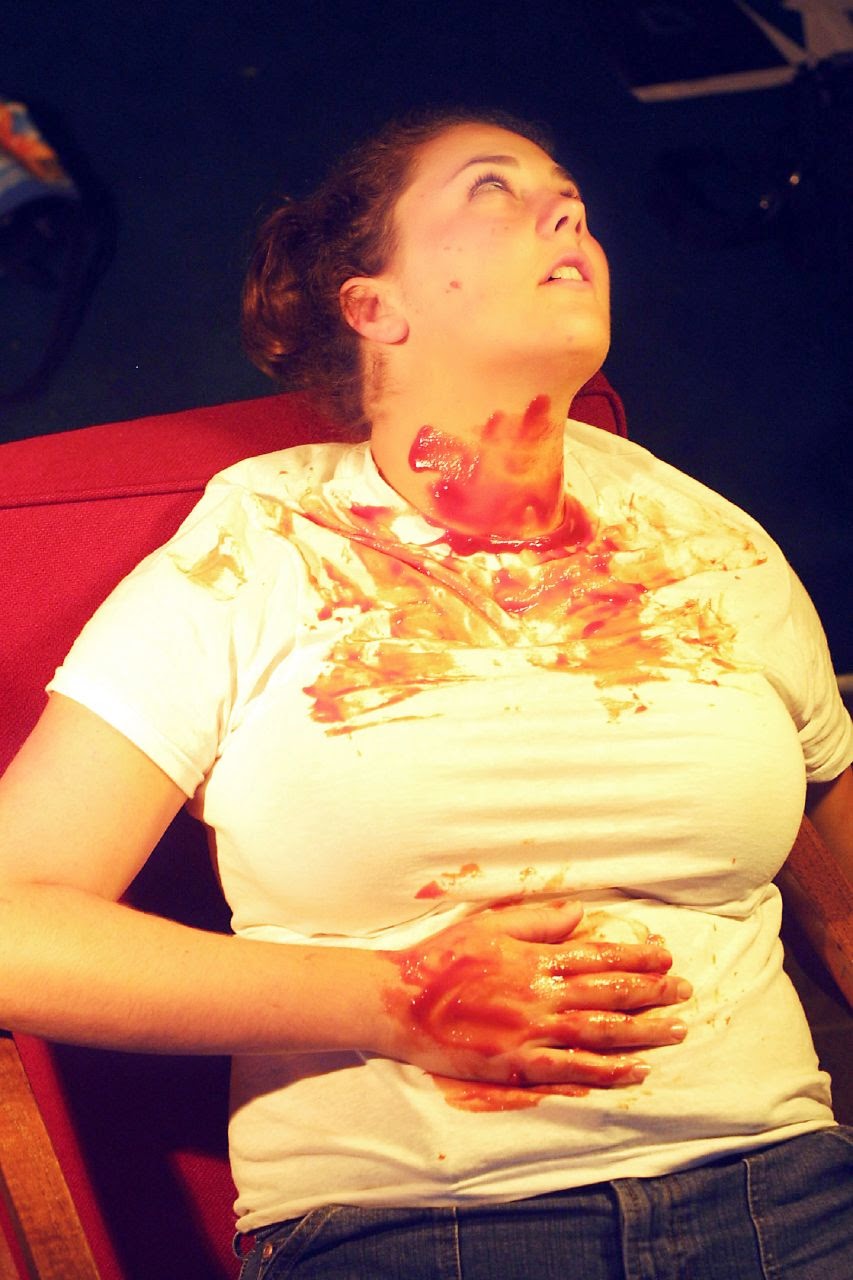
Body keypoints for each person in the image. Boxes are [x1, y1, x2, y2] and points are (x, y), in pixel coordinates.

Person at [0, 107, 851, 1280]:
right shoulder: (260, 546)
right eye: (494, 190)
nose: (567, 210)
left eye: (569, 194)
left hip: (779, 1196)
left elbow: (839, 893)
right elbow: (15, 921)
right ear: (374, 306)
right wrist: (388, 999)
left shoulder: (711, 537)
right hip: (412, 1223)